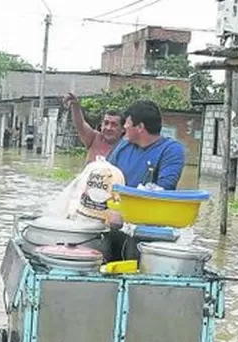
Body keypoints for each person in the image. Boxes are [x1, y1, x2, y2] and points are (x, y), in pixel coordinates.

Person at [104, 100, 187, 261]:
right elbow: (106, 175)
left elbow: (164, 189)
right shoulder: (123, 146)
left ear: (140, 127)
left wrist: (127, 210)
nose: (125, 127)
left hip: (148, 230)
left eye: (127, 124)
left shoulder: (171, 150)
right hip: (114, 223)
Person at [65, 92, 123, 164]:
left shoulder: (125, 148)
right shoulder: (94, 138)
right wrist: (75, 105)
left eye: (114, 125)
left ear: (123, 129)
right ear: (101, 125)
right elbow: (81, 124)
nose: (108, 128)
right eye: (106, 123)